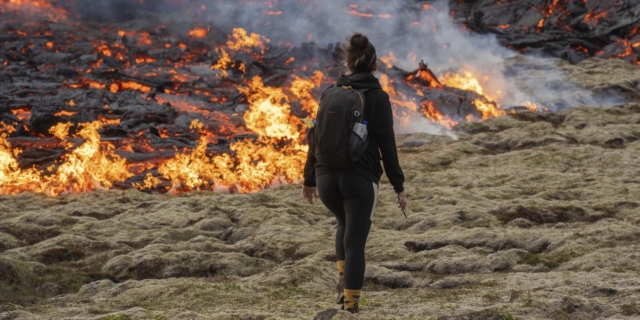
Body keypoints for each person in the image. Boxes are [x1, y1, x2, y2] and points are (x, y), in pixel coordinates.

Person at [301, 32, 407, 314]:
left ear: (347, 63)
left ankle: (342, 280)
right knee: (356, 241)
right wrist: (399, 185)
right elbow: (387, 144)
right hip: (359, 180)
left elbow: (315, 136)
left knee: (343, 224)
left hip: (326, 180)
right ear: (374, 65)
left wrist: (309, 180)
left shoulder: (331, 93)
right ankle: (350, 307)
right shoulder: (378, 97)